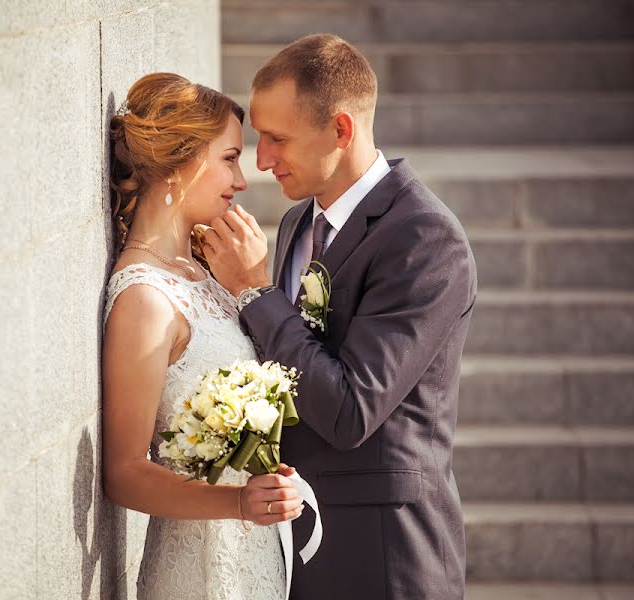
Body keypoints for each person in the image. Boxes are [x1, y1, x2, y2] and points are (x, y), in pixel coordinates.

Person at [201, 34, 477, 599]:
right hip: (300, 543)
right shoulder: (299, 223)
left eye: (277, 139)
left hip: (385, 553)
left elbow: (352, 410)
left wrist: (256, 293)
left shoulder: (425, 238)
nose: (262, 160)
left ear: (341, 130)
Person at [101, 72, 302, 600]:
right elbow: (124, 473)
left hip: (255, 553)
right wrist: (237, 503)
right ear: (180, 162)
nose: (242, 180)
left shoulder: (205, 270)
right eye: (230, 158)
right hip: (199, 572)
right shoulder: (143, 299)